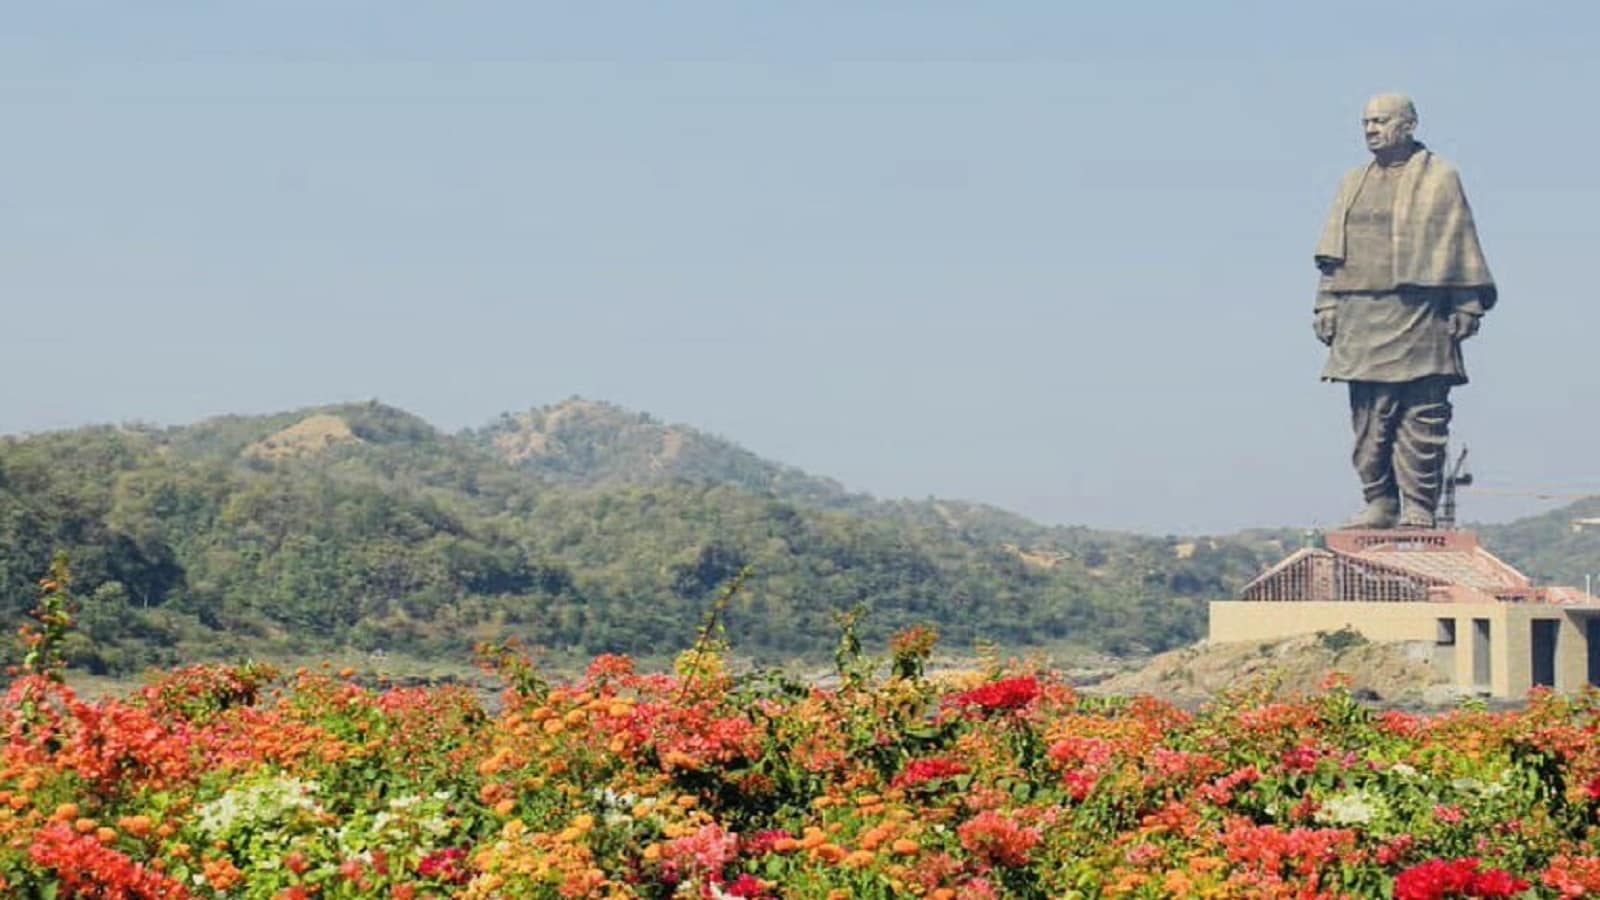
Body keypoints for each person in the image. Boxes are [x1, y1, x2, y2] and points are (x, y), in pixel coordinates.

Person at [1313, 93, 1496, 529]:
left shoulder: (1440, 177)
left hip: (1420, 310)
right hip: (1359, 311)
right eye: (1366, 122)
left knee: (1422, 414)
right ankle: (1379, 501)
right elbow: (1332, 256)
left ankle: (1418, 505)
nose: (1371, 129)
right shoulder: (1352, 182)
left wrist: (1467, 302)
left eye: (1380, 121)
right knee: (1369, 417)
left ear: (1408, 125)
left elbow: (1458, 239)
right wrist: (1326, 302)